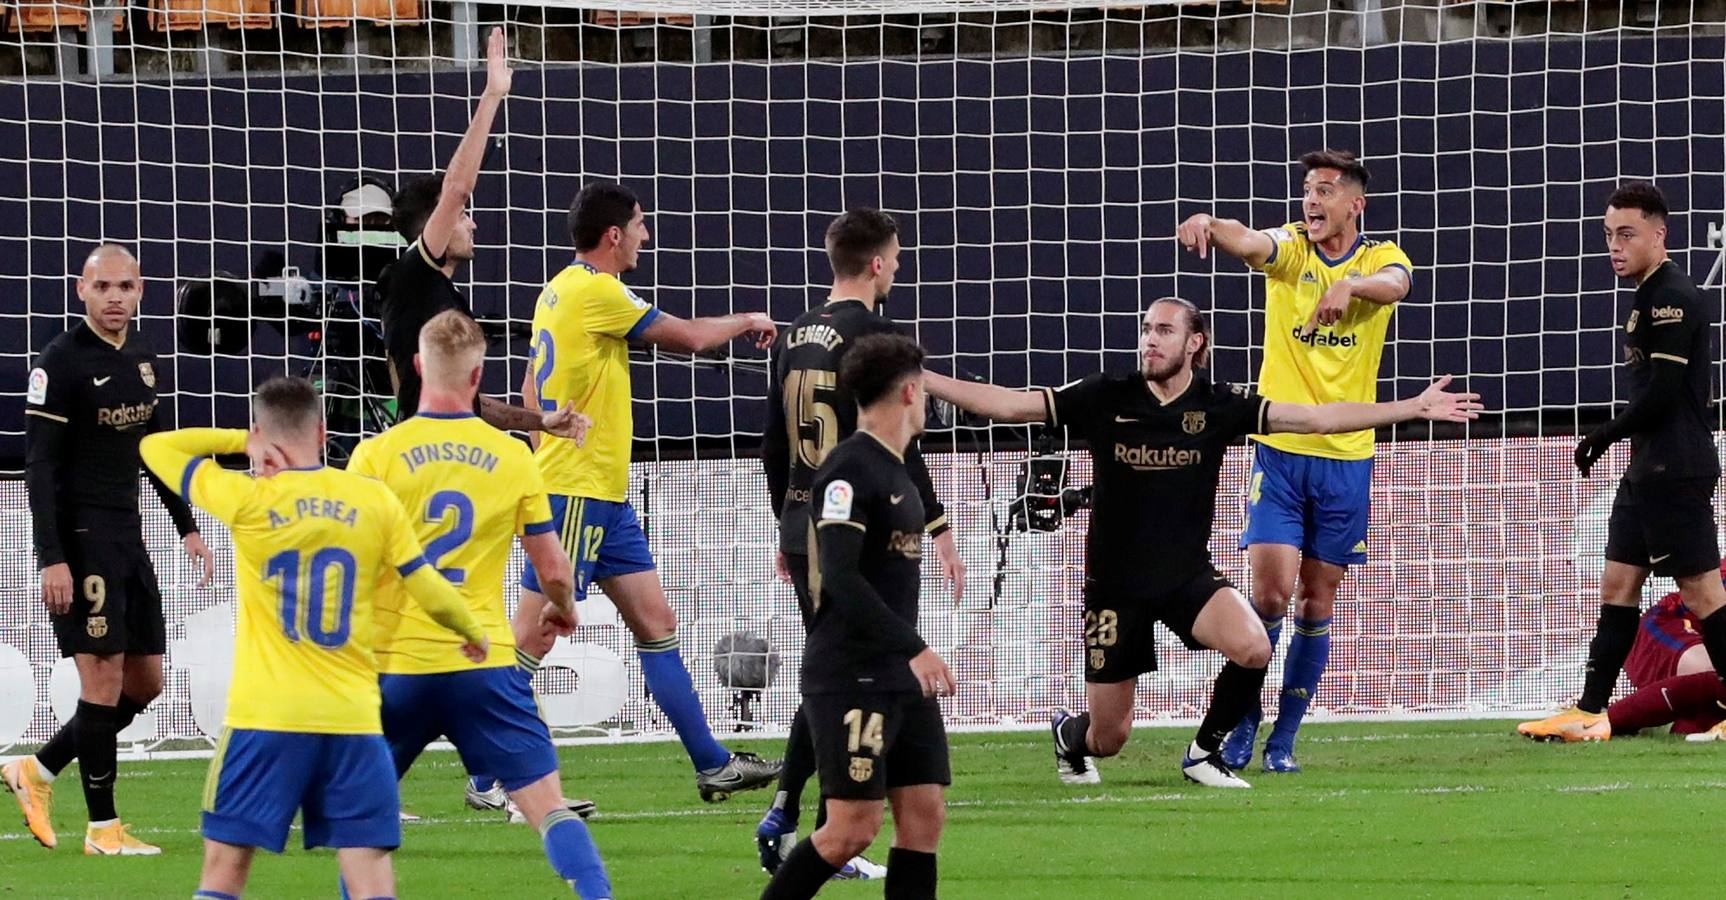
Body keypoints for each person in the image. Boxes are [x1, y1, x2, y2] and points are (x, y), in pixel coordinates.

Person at [924, 298, 1479, 788]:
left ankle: (1203, 753)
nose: (1149, 339)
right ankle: (1070, 734)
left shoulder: (1220, 405)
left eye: (1163, 330)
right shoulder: (1105, 395)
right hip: (1115, 585)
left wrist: (1408, 408)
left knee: (1255, 645)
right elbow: (1010, 404)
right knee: (1108, 739)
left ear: (1195, 342)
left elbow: (1313, 418)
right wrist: (924, 378)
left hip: (1186, 577)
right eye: (1145, 329)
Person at [137, 377, 490, 899]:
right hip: (351, 719)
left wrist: (241, 442)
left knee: (224, 873)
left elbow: (153, 447)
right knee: (369, 878)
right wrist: (472, 630)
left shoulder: (247, 499)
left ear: (262, 432)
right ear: (324, 432)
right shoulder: (372, 499)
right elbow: (429, 587)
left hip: (266, 717)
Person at [515, 180, 782, 802]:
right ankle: (489, 775)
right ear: (614, 235)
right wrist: (748, 319)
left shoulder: (556, 289)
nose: (645, 234)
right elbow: (688, 337)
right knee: (534, 636)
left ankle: (712, 764)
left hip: (599, 493)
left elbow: (531, 388)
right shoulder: (596, 290)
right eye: (639, 224)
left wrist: (545, 453)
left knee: (657, 624)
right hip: (577, 492)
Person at [345, 310, 610, 898]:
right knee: (548, 807)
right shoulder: (514, 456)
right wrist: (561, 607)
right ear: (478, 375)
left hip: (398, 667)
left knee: (361, 830)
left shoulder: (375, 457)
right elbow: (553, 569)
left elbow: (352, 569)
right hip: (484, 662)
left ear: (417, 367)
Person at [1176, 149, 1414, 772]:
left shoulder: (1378, 258)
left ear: (1355, 204)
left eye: (1327, 191)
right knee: (1272, 595)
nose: (1312, 201)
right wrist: (1209, 221)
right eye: (1308, 189)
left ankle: (1285, 737)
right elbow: (1249, 241)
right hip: (1280, 451)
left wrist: (1349, 286)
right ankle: (1240, 726)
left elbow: (1397, 286)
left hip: (1346, 459)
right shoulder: (1291, 251)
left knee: (1316, 602)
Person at [754, 209, 965, 879]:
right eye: (896, 259)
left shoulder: (795, 333)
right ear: (876, 263)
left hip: (801, 513)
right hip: (849, 517)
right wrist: (940, 530)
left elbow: (771, 442)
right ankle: (819, 822)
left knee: (843, 652)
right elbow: (894, 442)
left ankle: (796, 808)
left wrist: (785, 521)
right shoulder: (874, 336)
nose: (897, 269)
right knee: (848, 653)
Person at [4, 243, 215, 855]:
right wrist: (51, 556)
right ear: (81, 291)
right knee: (100, 683)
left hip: (129, 538)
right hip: (81, 540)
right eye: (103, 288)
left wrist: (187, 525)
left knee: (144, 684)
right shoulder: (61, 362)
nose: (115, 297)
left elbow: (157, 449)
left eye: (125, 286)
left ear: (141, 289)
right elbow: (38, 468)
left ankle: (35, 771)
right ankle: (103, 830)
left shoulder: (145, 359)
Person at [1519, 181, 1726, 740]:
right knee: (1618, 584)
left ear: (1660, 235)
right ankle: (1589, 709)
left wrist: (1605, 434)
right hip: (1649, 466)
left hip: (1675, 466)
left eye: (1628, 234)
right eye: (1609, 235)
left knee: (1703, 595)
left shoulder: (1672, 296)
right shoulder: (1645, 295)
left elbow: (1662, 393)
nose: (1616, 246)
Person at [373, 26, 588, 443]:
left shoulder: (433, 295)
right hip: (427, 456)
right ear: (435, 220)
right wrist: (492, 95)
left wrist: (540, 421)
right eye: (463, 216)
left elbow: (474, 404)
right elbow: (456, 188)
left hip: (450, 449)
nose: (472, 222)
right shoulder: (412, 275)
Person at [1526, 568, 1726, 742]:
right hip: (1666, 627)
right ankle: (1597, 721)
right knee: (1713, 672)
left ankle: (1698, 723)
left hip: (1702, 636)